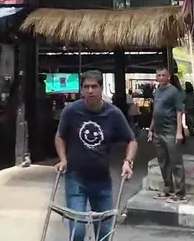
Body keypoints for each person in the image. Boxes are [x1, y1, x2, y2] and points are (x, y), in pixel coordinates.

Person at [56, 70, 137, 241]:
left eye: (94, 86)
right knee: (77, 231)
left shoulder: (113, 113)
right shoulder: (71, 111)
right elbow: (60, 136)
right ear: (81, 89)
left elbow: (131, 140)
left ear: (101, 88)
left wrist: (127, 161)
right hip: (76, 179)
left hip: (102, 181)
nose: (90, 91)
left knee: (104, 233)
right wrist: (63, 159)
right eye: (86, 87)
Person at [148, 67, 186, 202]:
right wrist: (151, 129)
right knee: (163, 163)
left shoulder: (174, 91)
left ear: (168, 77)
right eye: (158, 75)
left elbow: (179, 111)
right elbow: (155, 111)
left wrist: (179, 132)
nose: (161, 77)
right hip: (158, 132)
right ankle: (168, 189)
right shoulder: (157, 90)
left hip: (170, 131)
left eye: (163, 75)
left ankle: (180, 193)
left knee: (176, 163)